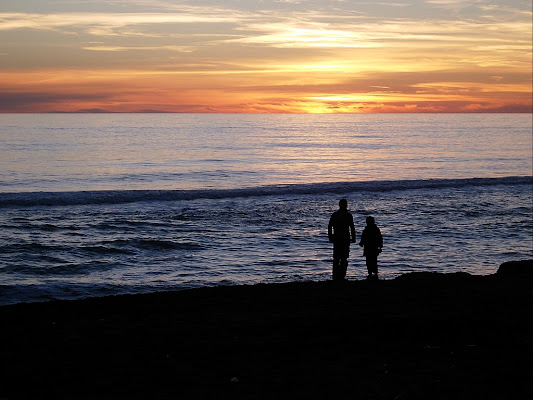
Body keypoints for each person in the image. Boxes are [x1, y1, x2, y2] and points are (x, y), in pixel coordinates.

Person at [328, 199, 356, 280]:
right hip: (343, 238)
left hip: (339, 238)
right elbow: (352, 227)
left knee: (338, 258)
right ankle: (341, 275)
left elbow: (330, 226)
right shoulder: (347, 215)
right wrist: (353, 238)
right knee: (343, 257)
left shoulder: (336, 215)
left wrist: (330, 236)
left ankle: (336, 275)